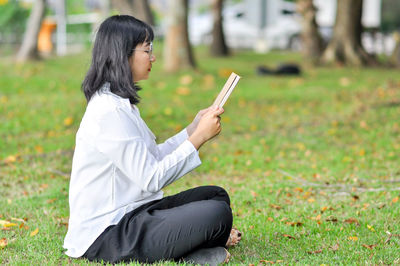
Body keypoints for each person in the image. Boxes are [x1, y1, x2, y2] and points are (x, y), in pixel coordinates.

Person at [63, 15, 241, 264]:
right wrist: (199, 138)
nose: (153, 57)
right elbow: (152, 178)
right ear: (123, 54)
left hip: (135, 212)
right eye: (147, 50)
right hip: (108, 234)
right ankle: (189, 254)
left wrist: (191, 129)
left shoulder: (119, 104)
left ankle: (194, 248)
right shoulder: (108, 112)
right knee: (216, 213)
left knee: (215, 196)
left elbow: (152, 157)